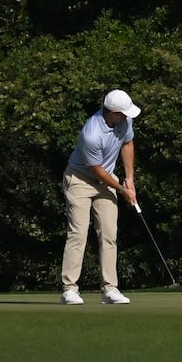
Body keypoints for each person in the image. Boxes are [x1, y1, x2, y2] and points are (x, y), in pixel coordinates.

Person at [60, 89, 140, 305]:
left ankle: (110, 289)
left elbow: (127, 143)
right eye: (122, 114)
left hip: (107, 180)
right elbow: (97, 171)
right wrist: (122, 191)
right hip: (80, 180)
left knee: (109, 233)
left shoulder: (125, 121)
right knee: (78, 233)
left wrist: (129, 179)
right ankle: (69, 289)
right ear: (111, 112)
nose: (126, 117)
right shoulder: (91, 133)